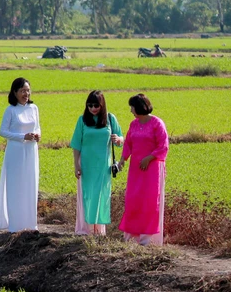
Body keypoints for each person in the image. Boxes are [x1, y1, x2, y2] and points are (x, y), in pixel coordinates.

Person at [69, 90, 123, 235]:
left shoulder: (110, 119)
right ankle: (85, 229)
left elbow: (122, 140)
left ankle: (98, 230)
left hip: (103, 166)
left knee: (101, 195)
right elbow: (76, 144)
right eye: (90, 105)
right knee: (87, 195)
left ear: (102, 104)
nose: (93, 108)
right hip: (86, 165)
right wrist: (76, 165)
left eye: (96, 105)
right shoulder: (82, 120)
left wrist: (118, 139)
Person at [119, 93, 169, 245]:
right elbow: (128, 143)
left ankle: (148, 239)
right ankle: (132, 237)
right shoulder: (133, 124)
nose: (131, 110)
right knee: (133, 200)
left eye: (132, 107)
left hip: (152, 170)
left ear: (139, 107)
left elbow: (163, 146)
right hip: (135, 170)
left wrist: (149, 158)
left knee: (150, 202)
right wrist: (122, 159)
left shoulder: (157, 123)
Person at [0, 77, 41, 233]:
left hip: (31, 151)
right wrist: (22, 137)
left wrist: (36, 136)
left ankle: (31, 224)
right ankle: (15, 225)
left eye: (28, 90)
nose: (26, 93)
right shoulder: (11, 110)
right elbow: (3, 131)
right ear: (14, 92)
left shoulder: (34, 108)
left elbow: (38, 127)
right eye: (22, 91)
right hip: (15, 152)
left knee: (30, 184)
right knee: (16, 186)